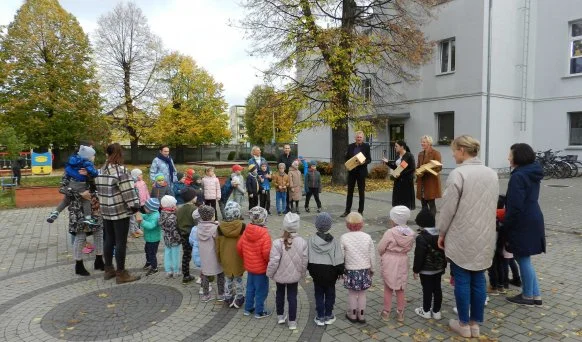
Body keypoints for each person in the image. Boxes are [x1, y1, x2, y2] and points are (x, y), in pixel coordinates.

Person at [437, 135, 498, 338]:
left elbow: (447, 209)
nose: (453, 154)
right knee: (479, 278)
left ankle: (463, 324)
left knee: (462, 278)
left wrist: (441, 232)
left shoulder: (458, 174)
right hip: (485, 235)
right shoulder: (492, 173)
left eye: (454, 150)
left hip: (462, 234)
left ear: (462, 150)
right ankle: (474, 324)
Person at [503, 143, 545, 307]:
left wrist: (507, 224)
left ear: (518, 157)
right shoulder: (531, 171)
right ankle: (536, 294)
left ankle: (528, 296)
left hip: (522, 221)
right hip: (532, 216)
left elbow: (515, 206)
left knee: (522, 258)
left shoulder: (518, 176)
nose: (508, 158)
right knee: (525, 258)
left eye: (510, 154)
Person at [94, 143, 141, 284]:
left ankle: (109, 269)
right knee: (120, 241)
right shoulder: (121, 171)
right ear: (120, 154)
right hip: (119, 211)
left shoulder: (101, 170)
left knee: (109, 239)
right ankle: (121, 273)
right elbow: (129, 193)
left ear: (107, 154)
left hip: (106, 210)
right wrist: (136, 210)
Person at [266, 213, 307, 330]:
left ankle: (280, 316)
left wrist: (270, 273)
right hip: (294, 276)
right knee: (292, 297)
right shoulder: (302, 242)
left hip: (280, 275)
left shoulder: (277, 242)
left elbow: (274, 261)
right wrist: (302, 274)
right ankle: (292, 322)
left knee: (279, 294)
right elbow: (304, 261)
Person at [378, 206, 415, 323]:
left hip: (389, 259)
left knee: (388, 287)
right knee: (400, 287)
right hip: (403, 260)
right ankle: (400, 313)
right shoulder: (410, 233)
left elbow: (381, 247)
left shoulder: (390, 232)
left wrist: (383, 253)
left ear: (393, 220)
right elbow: (409, 247)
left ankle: (386, 312)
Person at [308, 212, 344, 326]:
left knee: (318, 293)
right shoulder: (334, 242)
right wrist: (340, 271)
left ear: (316, 225)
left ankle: (320, 316)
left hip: (316, 270)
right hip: (331, 271)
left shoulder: (310, 240)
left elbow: (307, 256)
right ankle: (328, 314)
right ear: (330, 225)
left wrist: (308, 269)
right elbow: (338, 258)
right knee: (330, 293)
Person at [47, 145, 99, 224]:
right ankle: (88, 218)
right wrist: (92, 172)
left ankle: (55, 212)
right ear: (88, 156)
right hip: (81, 186)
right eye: (93, 156)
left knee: (65, 200)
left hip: (72, 184)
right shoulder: (87, 163)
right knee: (86, 201)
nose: (93, 157)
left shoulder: (73, 161)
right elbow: (95, 174)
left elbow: (67, 172)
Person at [237, 206, 272, 319]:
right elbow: (267, 253)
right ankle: (259, 311)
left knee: (250, 288)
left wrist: (246, 258)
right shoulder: (264, 234)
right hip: (261, 269)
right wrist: (268, 263)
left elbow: (239, 247)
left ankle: (248, 308)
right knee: (261, 290)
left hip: (250, 267)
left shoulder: (247, 230)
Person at [341, 212, 376, 324]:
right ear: (361, 224)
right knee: (362, 293)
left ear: (348, 224)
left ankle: (352, 314)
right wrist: (373, 268)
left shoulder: (344, 237)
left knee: (352, 293)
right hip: (364, 269)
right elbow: (372, 254)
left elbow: (341, 255)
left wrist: (341, 270)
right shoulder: (367, 237)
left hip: (350, 270)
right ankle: (361, 315)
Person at [412, 208, 447, 320]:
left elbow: (419, 256)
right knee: (437, 288)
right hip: (438, 268)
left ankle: (426, 310)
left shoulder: (421, 238)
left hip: (426, 270)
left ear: (421, 224)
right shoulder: (441, 235)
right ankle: (436, 312)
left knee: (426, 289)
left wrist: (415, 270)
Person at [216, 201, 246, 309]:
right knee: (238, 279)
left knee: (228, 278)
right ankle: (239, 297)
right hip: (239, 257)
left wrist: (219, 257)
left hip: (225, 257)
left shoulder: (220, 228)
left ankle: (228, 297)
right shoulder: (242, 226)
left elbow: (217, 245)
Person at [197, 205, 226, 302]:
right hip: (215, 255)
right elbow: (219, 238)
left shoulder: (198, 227)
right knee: (220, 273)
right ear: (211, 216)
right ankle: (221, 294)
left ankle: (206, 295)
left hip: (204, 256)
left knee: (205, 274)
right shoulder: (215, 228)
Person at [341, 131, 371, 217]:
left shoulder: (366, 146)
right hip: (352, 172)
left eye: (360, 137)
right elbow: (346, 158)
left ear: (363, 138)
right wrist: (348, 162)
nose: (359, 139)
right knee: (350, 192)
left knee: (361, 192)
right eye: (357, 137)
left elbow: (369, 159)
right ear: (355, 138)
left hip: (361, 172)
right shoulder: (350, 146)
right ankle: (347, 211)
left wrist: (363, 162)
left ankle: (360, 211)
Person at [384, 140, 416, 210]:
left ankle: (405, 216)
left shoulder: (409, 155)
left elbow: (412, 168)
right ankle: (398, 215)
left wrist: (400, 174)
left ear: (402, 147)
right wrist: (388, 163)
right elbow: (396, 168)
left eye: (396, 146)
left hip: (406, 181)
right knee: (398, 198)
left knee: (405, 199)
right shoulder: (397, 156)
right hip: (398, 181)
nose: (395, 148)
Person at [176, 188, 199, 284]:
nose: (196, 197)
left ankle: (186, 275)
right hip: (193, 236)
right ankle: (205, 274)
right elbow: (197, 223)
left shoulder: (179, 209)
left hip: (183, 235)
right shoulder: (194, 209)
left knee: (186, 255)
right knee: (200, 254)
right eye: (195, 196)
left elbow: (177, 223)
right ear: (192, 198)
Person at [416, 135, 442, 216]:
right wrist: (418, 172)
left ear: (429, 143)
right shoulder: (420, 154)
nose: (422, 143)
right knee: (423, 205)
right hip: (422, 182)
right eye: (422, 142)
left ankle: (431, 225)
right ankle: (424, 224)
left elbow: (439, 167)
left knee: (431, 204)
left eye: (424, 142)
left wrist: (428, 169)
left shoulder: (435, 153)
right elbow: (418, 167)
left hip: (431, 183)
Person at [160, 195, 181, 278]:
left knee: (167, 254)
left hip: (166, 238)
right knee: (175, 255)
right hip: (174, 238)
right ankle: (176, 271)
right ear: (171, 205)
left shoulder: (162, 213)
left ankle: (168, 271)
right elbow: (175, 228)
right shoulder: (173, 216)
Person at [140, 198, 161, 276]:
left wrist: (141, 221)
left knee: (152, 253)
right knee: (147, 250)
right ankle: (148, 262)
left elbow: (151, 226)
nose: (144, 208)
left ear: (151, 209)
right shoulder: (151, 213)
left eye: (145, 207)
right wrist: (140, 215)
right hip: (149, 239)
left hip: (154, 239)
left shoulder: (156, 216)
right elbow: (146, 216)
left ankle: (154, 267)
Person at [129, 168, 148, 238]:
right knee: (132, 218)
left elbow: (145, 191)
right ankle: (132, 231)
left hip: (139, 202)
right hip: (133, 203)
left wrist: (147, 199)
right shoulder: (133, 183)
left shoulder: (142, 182)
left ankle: (136, 229)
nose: (142, 175)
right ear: (135, 176)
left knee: (137, 217)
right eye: (140, 175)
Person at [278, 144, 295, 212]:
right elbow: (278, 167)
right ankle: (286, 207)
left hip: (291, 177)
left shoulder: (293, 157)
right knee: (285, 192)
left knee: (292, 192)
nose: (287, 149)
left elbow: (295, 166)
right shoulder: (281, 157)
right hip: (284, 177)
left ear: (290, 149)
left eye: (288, 148)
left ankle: (292, 206)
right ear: (283, 149)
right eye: (285, 148)